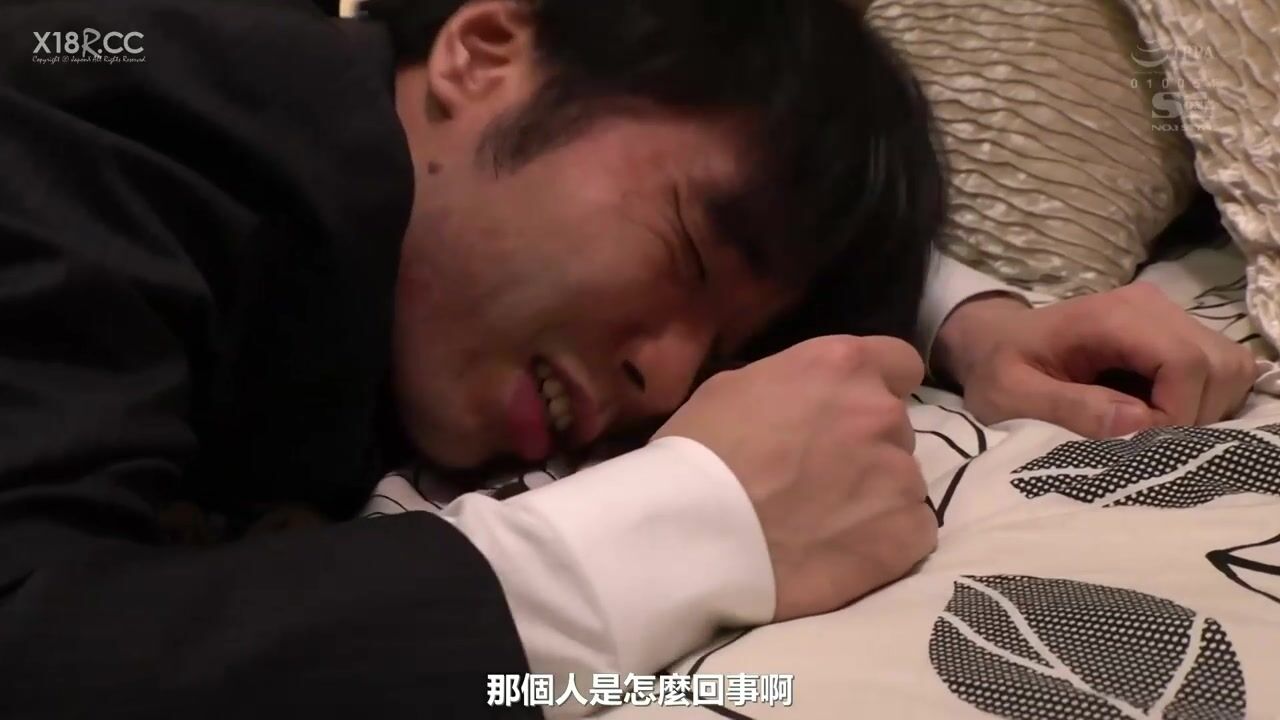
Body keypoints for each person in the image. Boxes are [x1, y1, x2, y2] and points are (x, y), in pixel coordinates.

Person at [0, 0, 1257, 717]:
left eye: (722, 349)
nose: (665, 384)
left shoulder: (404, 221)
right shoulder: (106, 103)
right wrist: (667, 533)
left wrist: (971, 323)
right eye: (689, 252)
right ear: (483, 51)